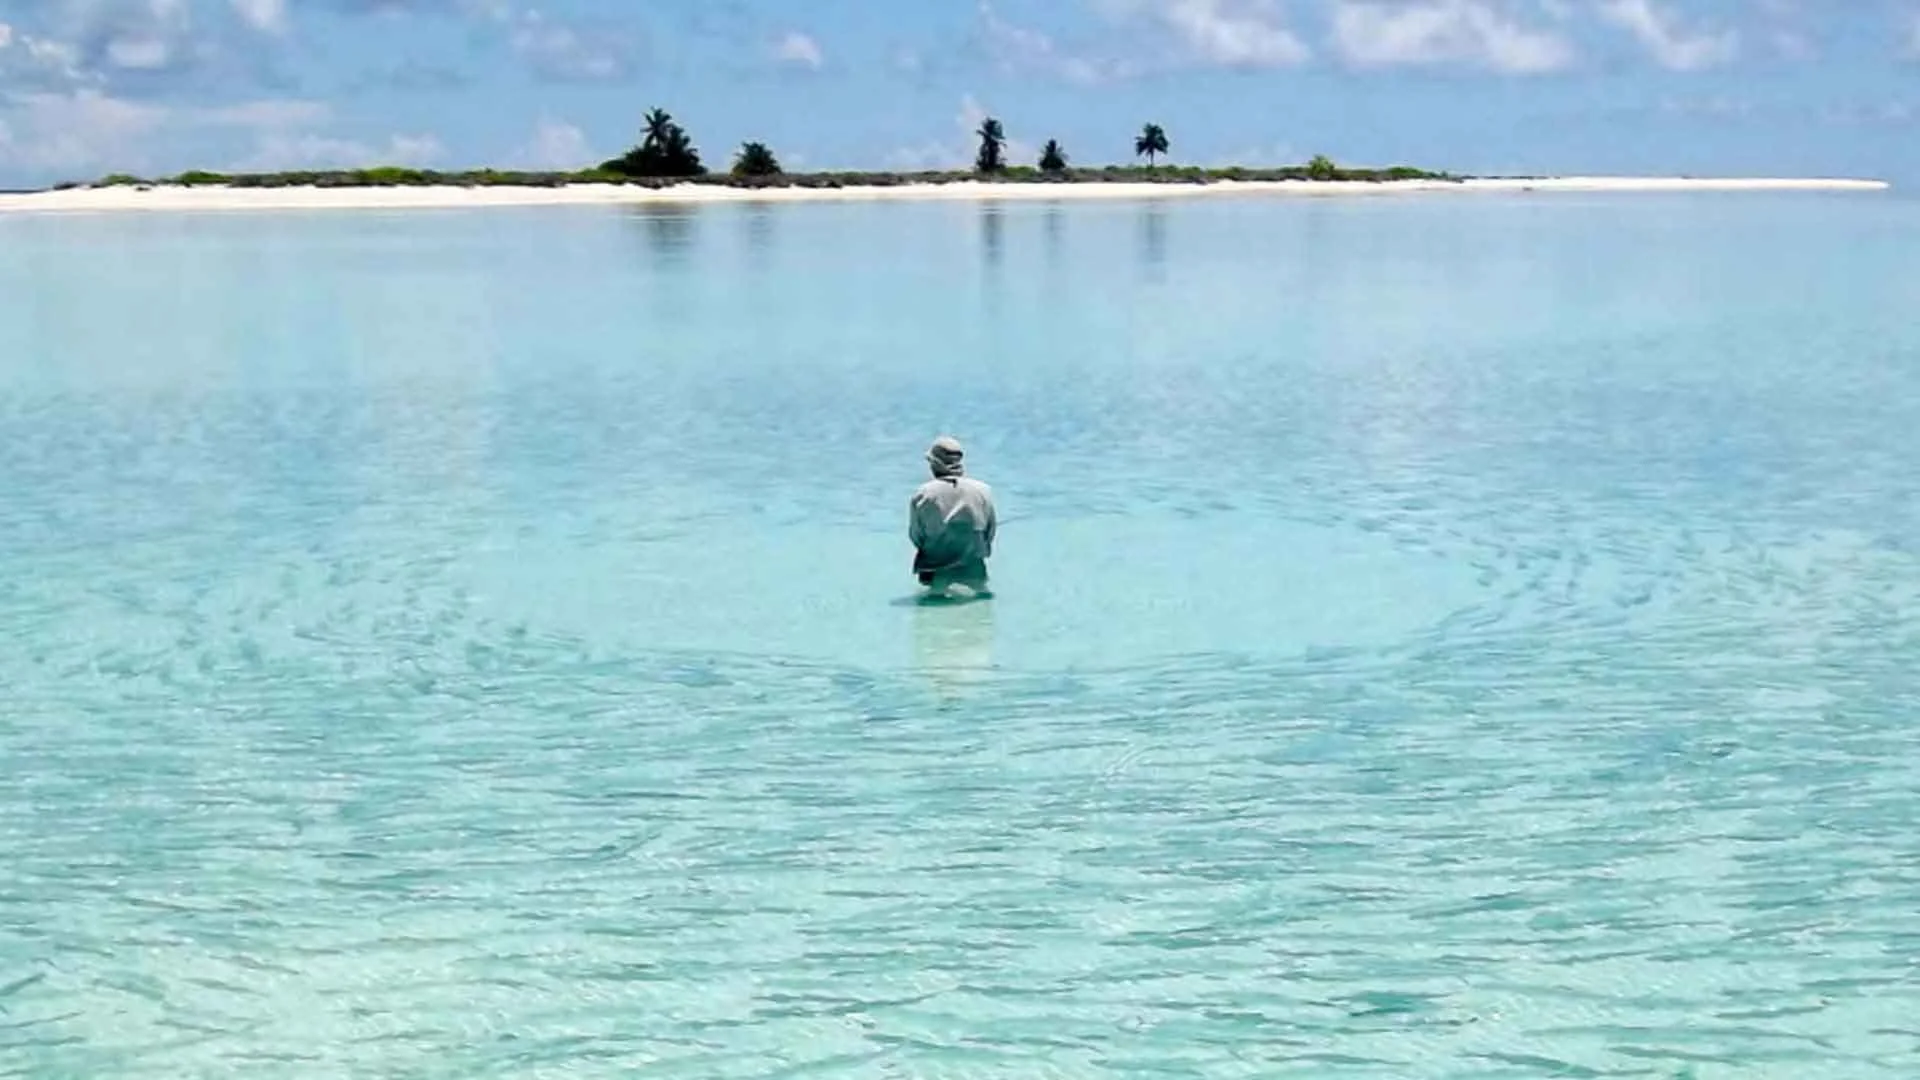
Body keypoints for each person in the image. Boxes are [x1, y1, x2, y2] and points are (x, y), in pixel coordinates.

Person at [910, 436, 997, 597]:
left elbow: (916, 536)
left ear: (935, 464)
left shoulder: (923, 494)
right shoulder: (983, 490)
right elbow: (989, 533)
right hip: (974, 566)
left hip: (936, 569)